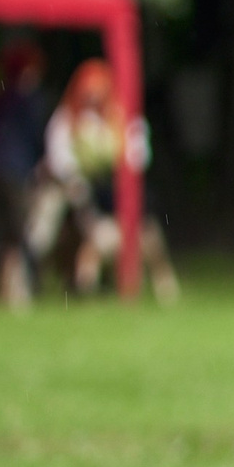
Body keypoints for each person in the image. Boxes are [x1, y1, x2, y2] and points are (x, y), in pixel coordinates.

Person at [38, 58, 174, 300]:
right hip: (84, 192)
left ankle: (160, 287)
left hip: (117, 192)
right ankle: (74, 286)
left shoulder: (121, 118)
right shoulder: (67, 118)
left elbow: (139, 155)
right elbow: (61, 160)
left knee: (148, 234)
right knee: (76, 233)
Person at [0, 37, 51, 300]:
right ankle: (25, 289)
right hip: (13, 171)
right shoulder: (29, 100)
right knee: (19, 232)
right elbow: (36, 137)